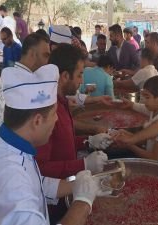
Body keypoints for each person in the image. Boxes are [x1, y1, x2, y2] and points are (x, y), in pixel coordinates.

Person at [0, 63, 109, 225]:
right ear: (37, 121)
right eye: (53, 115)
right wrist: (83, 202)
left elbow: (36, 182)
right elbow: (22, 186)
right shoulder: (10, 181)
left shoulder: (0, 142)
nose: (57, 119)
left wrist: (76, 185)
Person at [36, 44, 112, 223]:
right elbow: (41, 169)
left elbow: (65, 140)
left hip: (68, 188)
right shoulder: (48, 111)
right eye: (79, 74)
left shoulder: (62, 102)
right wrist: (83, 164)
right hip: (51, 201)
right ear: (64, 76)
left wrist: (89, 141)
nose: (81, 81)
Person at [0, 33, 51, 127]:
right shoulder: (13, 81)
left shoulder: (29, 77)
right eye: (45, 55)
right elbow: (8, 123)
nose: (48, 61)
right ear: (32, 54)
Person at [116, 76, 158, 163]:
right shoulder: (153, 112)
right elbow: (146, 140)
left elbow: (154, 158)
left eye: (147, 97)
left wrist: (129, 144)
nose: (144, 101)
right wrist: (126, 134)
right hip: (153, 165)